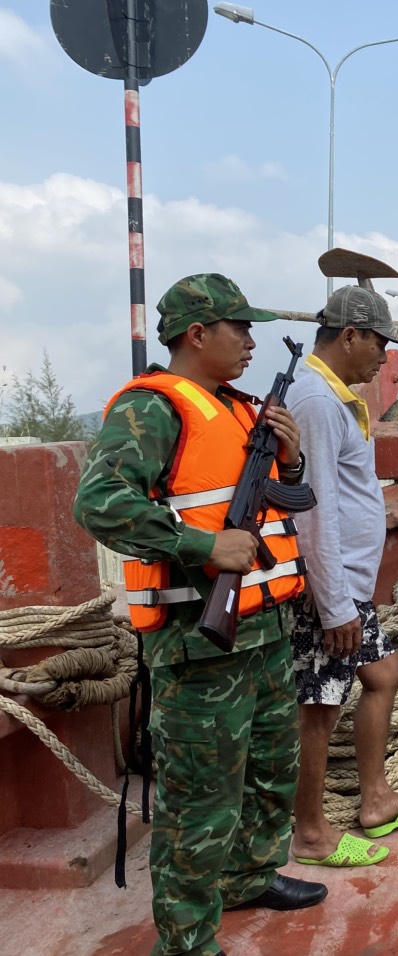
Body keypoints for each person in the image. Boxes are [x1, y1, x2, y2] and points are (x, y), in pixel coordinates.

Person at [73, 274, 326, 956]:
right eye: (239, 329)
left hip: (267, 632)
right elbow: (99, 504)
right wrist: (203, 545)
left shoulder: (245, 411)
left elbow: (286, 504)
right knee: (201, 803)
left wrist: (293, 460)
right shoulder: (153, 410)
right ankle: (185, 943)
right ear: (197, 334)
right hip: (200, 644)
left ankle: (247, 877)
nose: (250, 342)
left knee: (271, 773)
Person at [287, 284, 398, 868]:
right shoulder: (317, 403)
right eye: (379, 342)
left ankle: (375, 799)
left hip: (348, 585)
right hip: (330, 590)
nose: (384, 356)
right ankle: (309, 832)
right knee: (321, 703)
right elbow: (314, 509)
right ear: (349, 335)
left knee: (382, 673)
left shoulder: (330, 400)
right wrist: (336, 606)